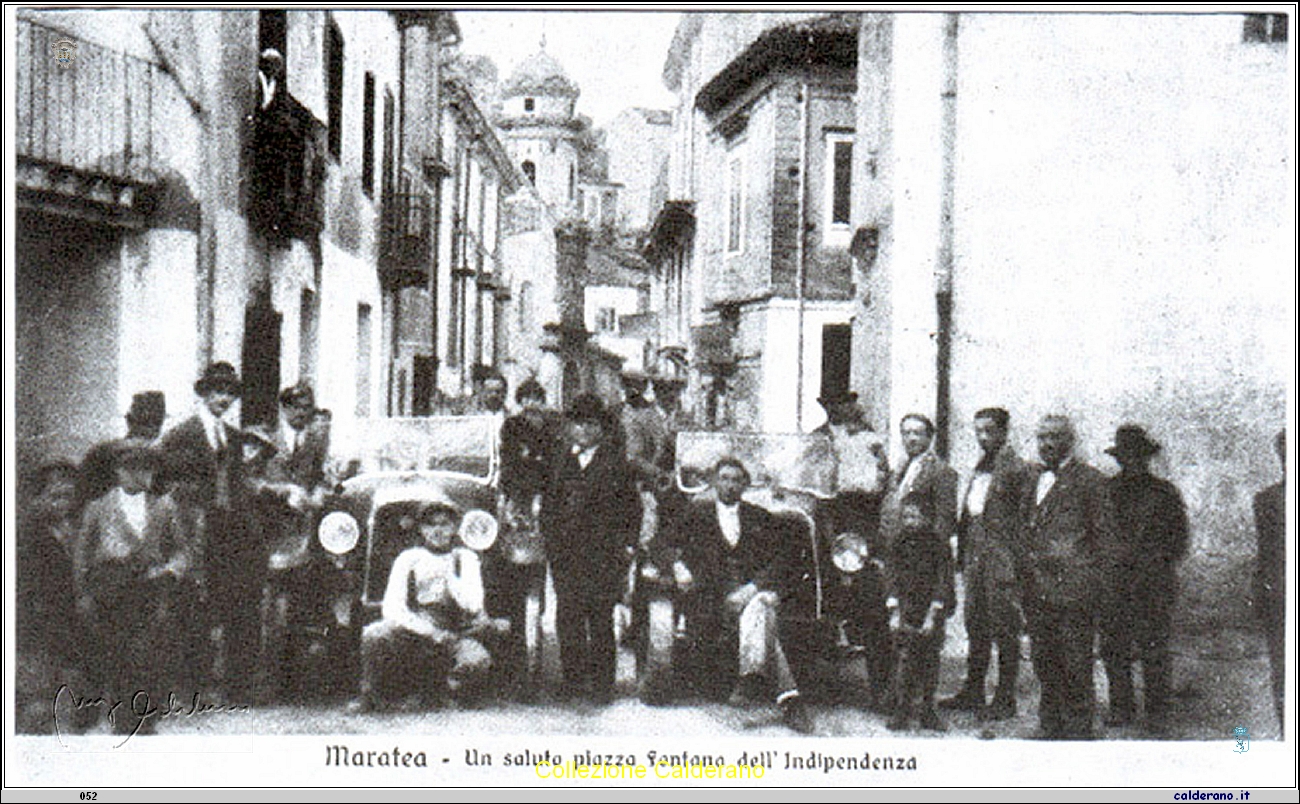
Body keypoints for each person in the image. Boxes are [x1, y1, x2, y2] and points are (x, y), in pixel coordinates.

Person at [670, 458, 816, 734]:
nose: (729, 485)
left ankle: (759, 680)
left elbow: (782, 559)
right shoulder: (695, 513)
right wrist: (678, 566)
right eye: (724, 478)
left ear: (745, 484)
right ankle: (786, 696)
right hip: (711, 597)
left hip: (749, 594)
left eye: (736, 479)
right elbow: (662, 543)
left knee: (760, 606)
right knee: (765, 618)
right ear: (713, 482)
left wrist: (754, 587)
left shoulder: (759, 516)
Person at [73, 444, 198, 728]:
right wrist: (83, 593)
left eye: (148, 469)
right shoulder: (98, 508)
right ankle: (124, 721)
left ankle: (145, 720)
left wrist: (170, 571)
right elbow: (82, 554)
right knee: (119, 656)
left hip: (150, 590)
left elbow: (182, 551)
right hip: (111, 591)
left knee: (150, 655)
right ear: (119, 471)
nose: (143, 475)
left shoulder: (164, 506)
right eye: (134, 468)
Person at [157, 361, 257, 700]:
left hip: (230, 532)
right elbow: (166, 482)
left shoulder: (232, 437)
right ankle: (191, 687)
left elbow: (240, 482)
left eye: (230, 393)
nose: (224, 399)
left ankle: (235, 688)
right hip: (196, 530)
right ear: (204, 393)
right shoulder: (181, 435)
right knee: (193, 607)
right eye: (218, 391)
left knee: (235, 603)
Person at [350, 503, 507, 712]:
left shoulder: (466, 558)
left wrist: (450, 576)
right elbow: (393, 608)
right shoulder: (409, 558)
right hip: (416, 632)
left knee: (476, 662)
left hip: (455, 633)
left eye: (444, 524)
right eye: (430, 525)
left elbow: (473, 604)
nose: (437, 531)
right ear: (422, 529)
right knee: (374, 634)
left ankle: (439, 693)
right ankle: (370, 695)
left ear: (454, 528)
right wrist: (428, 631)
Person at [1017, 414, 1117, 740]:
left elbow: (1104, 539)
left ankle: (1077, 729)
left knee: (1075, 662)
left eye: (1055, 437)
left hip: (1074, 590)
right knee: (1044, 660)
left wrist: (1093, 586)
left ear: (1069, 440)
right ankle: (1050, 726)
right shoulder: (1031, 479)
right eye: (1042, 437)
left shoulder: (1091, 481)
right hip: (1037, 588)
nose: (1047, 444)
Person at [540, 394, 641, 703]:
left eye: (590, 424)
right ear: (569, 427)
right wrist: (552, 543)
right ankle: (572, 681)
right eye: (577, 423)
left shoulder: (616, 464)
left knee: (599, 618)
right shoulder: (560, 462)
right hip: (566, 555)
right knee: (568, 617)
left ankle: (601, 686)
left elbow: (632, 510)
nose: (582, 430)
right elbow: (549, 506)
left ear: (601, 429)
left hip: (603, 556)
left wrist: (626, 548)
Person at [1098, 425, 1190, 731]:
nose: (1131, 462)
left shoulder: (1165, 493)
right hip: (1115, 583)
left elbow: (1179, 540)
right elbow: (1098, 537)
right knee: (1114, 649)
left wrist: (1152, 566)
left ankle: (1157, 713)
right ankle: (1121, 708)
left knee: (1154, 650)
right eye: (1125, 456)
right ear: (1120, 459)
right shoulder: (1106, 491)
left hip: (1153, 584)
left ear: (1146, 458)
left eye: (1137, 456)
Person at [942, 407, 1031, 720]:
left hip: (1001, 557)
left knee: (1004, 626)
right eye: (978, 431)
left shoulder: (1017, 468)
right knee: (975, 623)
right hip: (975, 555)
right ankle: (973, 690)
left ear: (1005, 432)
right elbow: (971, 512)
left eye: (990, 430)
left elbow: (1024, 520)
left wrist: (1014, 562)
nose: (983, 437)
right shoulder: (981, 466)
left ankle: (1005, 697)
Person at [253, 382, 333, 699]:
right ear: (284, 409)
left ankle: (296, 681)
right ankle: (265, 681)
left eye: (308, 410)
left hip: (304, 534)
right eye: (297, 408)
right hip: (268, 533)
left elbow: (324, 477)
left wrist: (318, 495)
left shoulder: (316, 440)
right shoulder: (262, 438)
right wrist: (281, 491)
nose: (303, 414)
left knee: (302, 606)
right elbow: (248, 480)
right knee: (268, 611)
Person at [813, 390, 891, 707]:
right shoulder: (815, 440)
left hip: (858, 527)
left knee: (870, 603)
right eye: (833, 404)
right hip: (825, 521)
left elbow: (882, 479)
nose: (841, 409)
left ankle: (882, 689)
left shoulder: (869, 437)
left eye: (845, 403)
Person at [491, 377, 560, 695]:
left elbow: (555, 466)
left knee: (537, 568)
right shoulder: (512, 427)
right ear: (520, 401)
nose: (533, 403)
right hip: (519, 499)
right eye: (527, 398)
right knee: (512, 573)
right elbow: (509, 463)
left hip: (545, 501)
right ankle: (514, 654)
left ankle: (535, 624)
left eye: (537, 398)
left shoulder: (551, 428)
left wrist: (543, 486)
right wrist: (516, 495)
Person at [15, 462, 86, 733]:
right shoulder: (24, 536)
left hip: (68, 625)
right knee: (38, 698)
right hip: (37, 627)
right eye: (54, 497)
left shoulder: (73, 530)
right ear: (35, 499)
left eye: (68, 497)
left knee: (68, 691)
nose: (62, 504)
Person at [885, 494, 956, 731]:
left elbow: (943, 581)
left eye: (914, 516)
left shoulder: (938, 544)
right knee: (905, 659)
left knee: (930, 660)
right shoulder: (899, 541)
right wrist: (894, 611)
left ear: (927, 518)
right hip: (906, 608)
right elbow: (892, 575)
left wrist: (933, 615)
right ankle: (902, 710)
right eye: (905, 516)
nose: (909, 521)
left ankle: (929, 711)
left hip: (929, 610)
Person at [78, 391, 167, 505]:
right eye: (144, 421)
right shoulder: (102, 454)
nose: (150, 429)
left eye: (155, 421)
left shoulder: (164, 456)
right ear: (129, 421)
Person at [1253, 428, 1286, 737]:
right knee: (1283, 669)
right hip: (1280, 596)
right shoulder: (1266, 501)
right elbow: (1265, 554)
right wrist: (1260, 597)